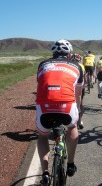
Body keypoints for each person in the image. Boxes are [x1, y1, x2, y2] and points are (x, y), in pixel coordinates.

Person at [35, 39, 83, 185]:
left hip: (44, 106)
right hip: (66, 106)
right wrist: (79, 110)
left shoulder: (42, 64)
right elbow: (78, 94)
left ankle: (45, 173)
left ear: (53, 53)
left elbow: (40, 85)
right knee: (72, 128)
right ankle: (70, 163)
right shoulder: (76, 66)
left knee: (43, 136)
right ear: (69, 54)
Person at [71, 53, 86, 129]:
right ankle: (80, 120)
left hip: (70, 87)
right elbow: (84, 77)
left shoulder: (69, 65)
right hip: (80, 86)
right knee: (80, 103)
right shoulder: (82, 66)